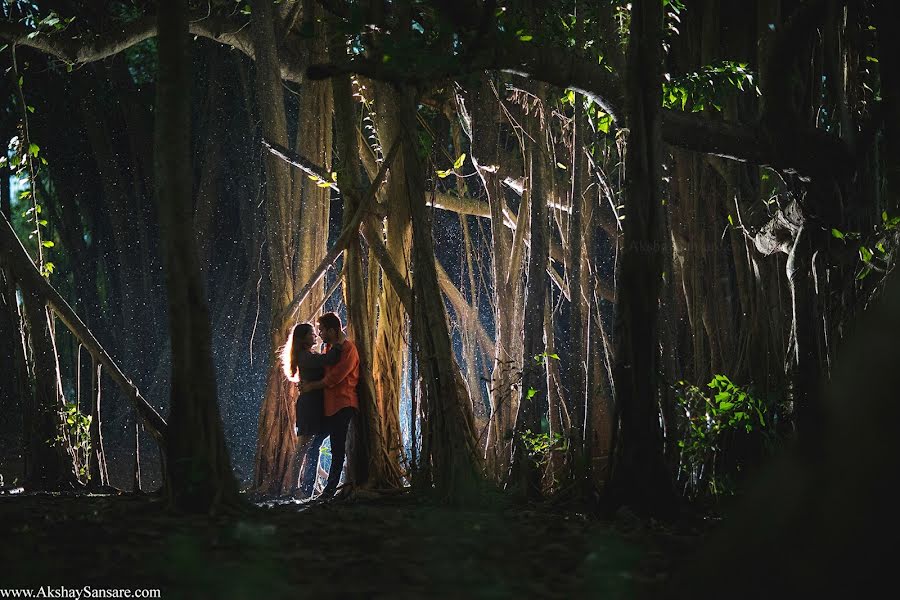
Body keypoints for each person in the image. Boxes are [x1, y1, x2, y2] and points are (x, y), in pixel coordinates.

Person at [299, 312, 359, 499]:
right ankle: (308, 488)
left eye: (322, 330)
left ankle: (329, 490)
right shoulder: (329, 348)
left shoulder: (348, 349)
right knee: (314, 444)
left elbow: (334, 378)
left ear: (332, 331)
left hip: (343, 403)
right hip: (328, 406)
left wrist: (310, 386)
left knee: (337, 448)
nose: (320, 334)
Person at [283, 322, 343, 498]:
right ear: (302, 339)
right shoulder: (304, 356)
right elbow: (328, 360)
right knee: (303, 447)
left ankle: (307, 485)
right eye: (311, 334)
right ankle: (293, 488)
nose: (315, 335)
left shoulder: (308, 355)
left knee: (310, 446)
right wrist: (340, 343)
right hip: (309, 406)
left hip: (314, 405)